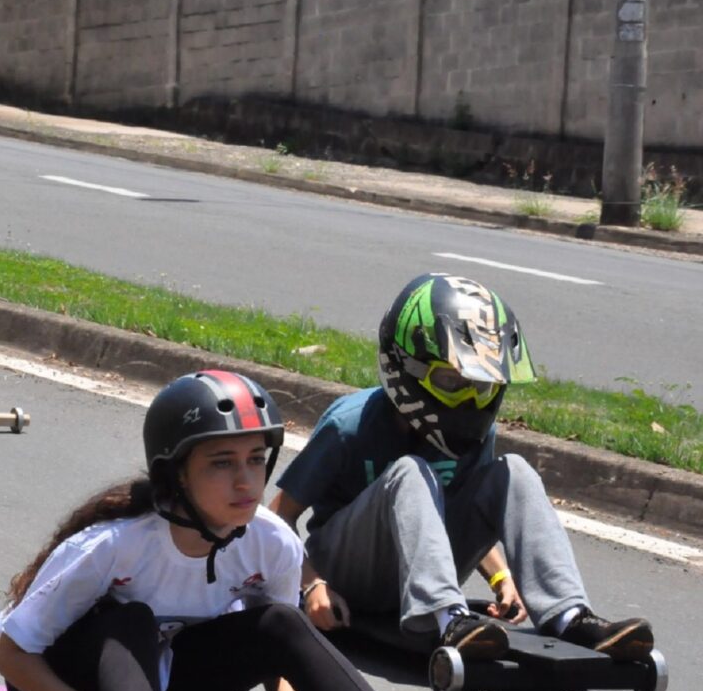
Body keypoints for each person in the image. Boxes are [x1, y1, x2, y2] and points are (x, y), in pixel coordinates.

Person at [0, 370, 523, 691]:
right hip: (66, 688)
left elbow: (279, 646)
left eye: (255, 460)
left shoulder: (269, 540)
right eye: (222, 463)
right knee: (133, 618)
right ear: (176, 472)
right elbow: (10, 656)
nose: (246, 481)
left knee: (280, 621)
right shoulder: (114, 544)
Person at [271, 273, 655, 663]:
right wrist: (310, 584)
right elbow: (276, 520)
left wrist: (501, 577)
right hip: (349, 573)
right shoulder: (349, 425)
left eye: (482, 385)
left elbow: (467, 508)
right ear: (406, 365)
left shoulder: (471, 433)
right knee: (411, 471)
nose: (469, 400)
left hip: (419, 573)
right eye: (452, 382)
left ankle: (568, 614)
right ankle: (447, 616)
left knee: (514, 470)